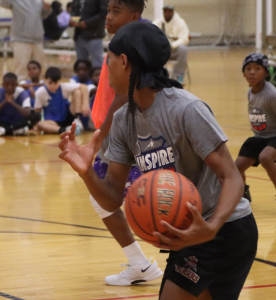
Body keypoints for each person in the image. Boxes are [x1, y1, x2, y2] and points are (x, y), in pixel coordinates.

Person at [60, 22, 257, 300]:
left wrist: (210, 229)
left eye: (109, 58)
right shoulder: (123, 120)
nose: (105, 67)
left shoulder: (186, 109)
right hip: (187, 234)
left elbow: (232, 176)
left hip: (225, 229)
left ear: (125, 62)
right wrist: (86, 173)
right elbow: (112, 199)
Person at [78, 0, 164, 286]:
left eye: (116, 11)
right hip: (120, 133)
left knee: (143, 198)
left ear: (135, 16)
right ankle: (141, 263)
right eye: (109, 10)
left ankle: (146, 262)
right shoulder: (121, 43)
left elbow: (122, 96)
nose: (108, 16)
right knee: (108, 197)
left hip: (126, 133)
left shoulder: (132, 48)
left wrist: (100, 134)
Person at [237, 53, 276, 216]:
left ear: (266, 73)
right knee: (236, 168)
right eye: (248, 69)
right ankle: (243, 196)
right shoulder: (250, 92)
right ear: (243, 73)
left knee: (265, 158)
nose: (252, 72)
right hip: (260, 137)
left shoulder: (273, 96)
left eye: (257, 69)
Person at [0, 72, 41, 136]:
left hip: (17, 121)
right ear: (3, 84)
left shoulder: (22, 93)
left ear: (16, 85)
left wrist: (12, 102)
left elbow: (27, 114)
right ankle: (15, 130)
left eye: (12, 85)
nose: (9, 87)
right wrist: (4, 102)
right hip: (1, 122)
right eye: (7, 84)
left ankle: (3, 130)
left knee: (37, 115)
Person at [0, 0, 51, 78]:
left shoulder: (39, 1)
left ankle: (37, 89)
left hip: (38, 40)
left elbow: (44, 15)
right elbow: (2, 3)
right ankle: (22, 89)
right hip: (21, 39)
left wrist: (47, 9)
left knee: (39, 70)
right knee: (22, 70)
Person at [33, 67, 90, 134]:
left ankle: (77, 120)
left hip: (68, 117)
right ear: (45, 81)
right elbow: (37, 111)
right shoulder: (40, 92)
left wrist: (85, 104)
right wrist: (37, 126)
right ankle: (65, 130)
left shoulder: (64, 87)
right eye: (50, 83)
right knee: (40, 124)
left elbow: (84, 87)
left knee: (77, 92)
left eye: (55, 83)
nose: (53, 86)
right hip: (53, 122)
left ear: (60, 81)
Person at [152, 5, 189, 84]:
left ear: (173, 12)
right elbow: (150, 34)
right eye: (165, 11)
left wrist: (172, 45)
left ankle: (178, 76)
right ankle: (157, 75)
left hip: (174, 50)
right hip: (162, 50)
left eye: (169, 11)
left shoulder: (180, 23)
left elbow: (185, 38)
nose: (167, 13)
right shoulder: (158, 22)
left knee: (183, 49)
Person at [70, 0, 108, 70]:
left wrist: (87, 23)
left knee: (97, 65)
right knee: (81, 64)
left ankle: (97, 80)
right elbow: (74, 10)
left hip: (94, 35)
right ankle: (82, 80)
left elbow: (103, 14)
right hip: (79, 34)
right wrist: (72, 20)